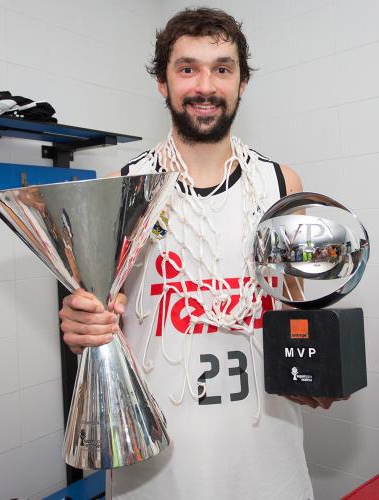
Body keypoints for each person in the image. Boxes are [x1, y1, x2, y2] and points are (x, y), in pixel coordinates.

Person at [59, 8, 346, 499]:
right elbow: (93, 320)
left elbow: (293, 309)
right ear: (163, 82)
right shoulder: (122, 186)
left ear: (242, 82)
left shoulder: (281, 183)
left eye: (222, 68)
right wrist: (81, 323)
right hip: (158, 467)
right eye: (187, 68)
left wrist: (316, 367)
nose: (205, 86)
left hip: (267, 458)